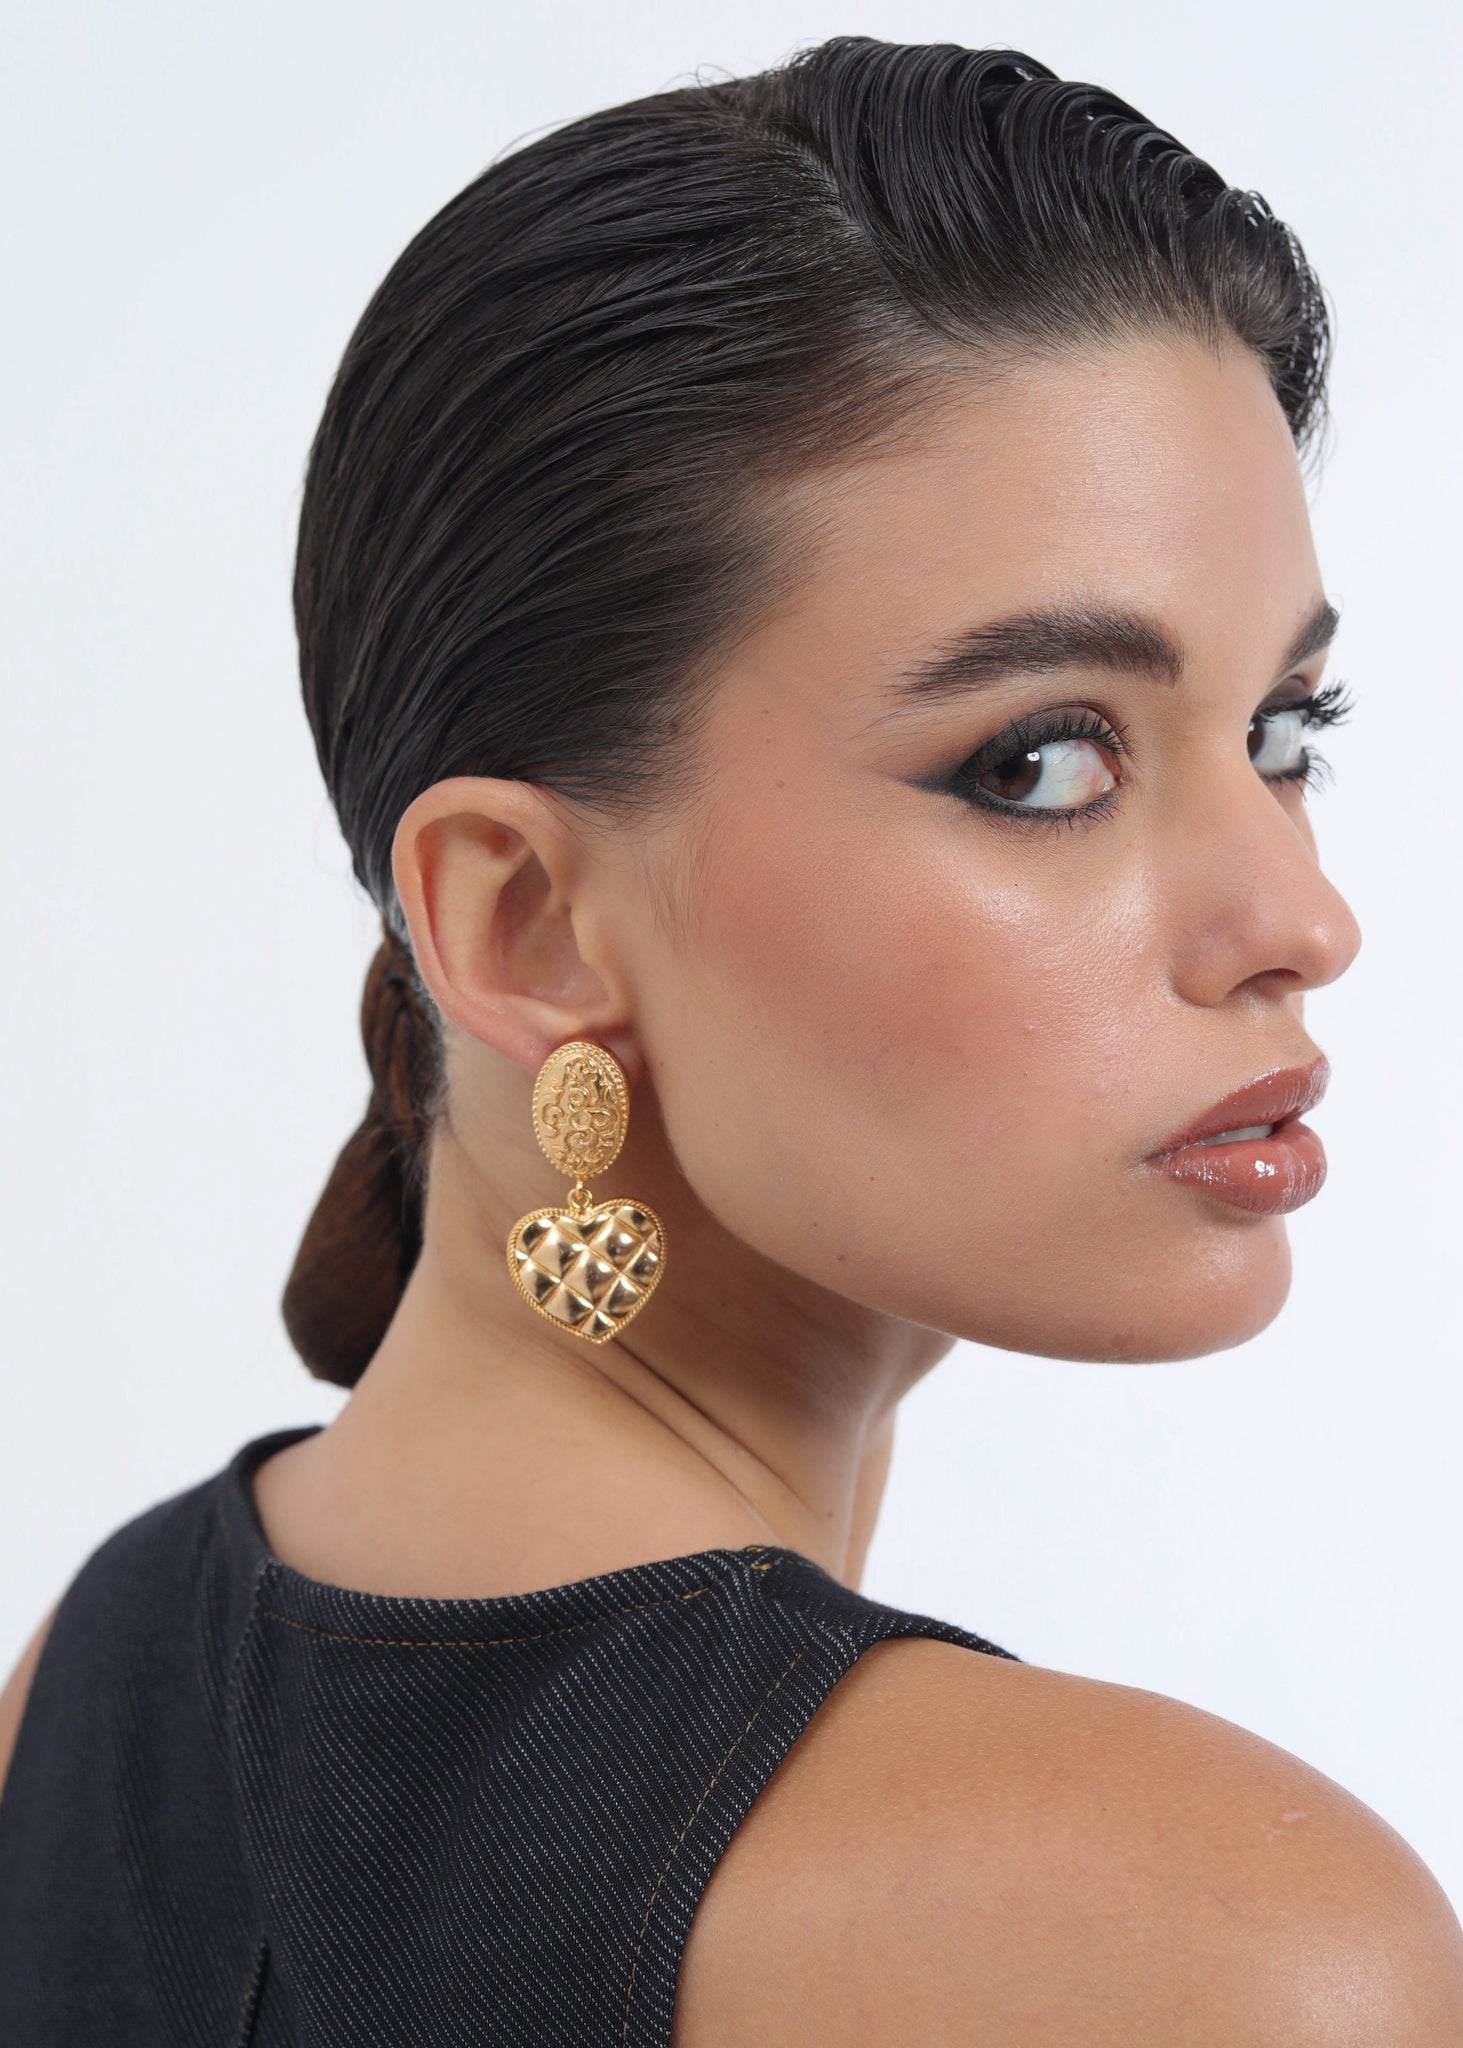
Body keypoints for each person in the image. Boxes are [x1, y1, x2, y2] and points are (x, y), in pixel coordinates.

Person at [1, 33, 1460, 2045]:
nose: (1301, 921)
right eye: (1042, 762)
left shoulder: (77, 1696)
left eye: (1284, 732)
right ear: (523, 921)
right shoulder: (1214, 1954)